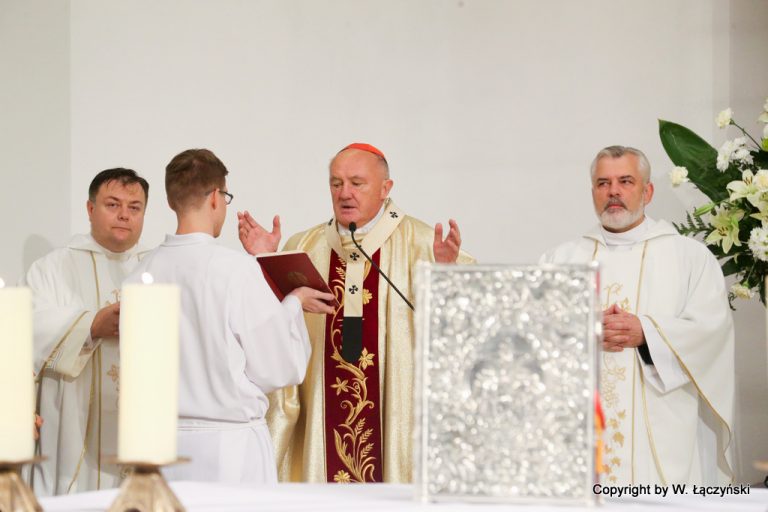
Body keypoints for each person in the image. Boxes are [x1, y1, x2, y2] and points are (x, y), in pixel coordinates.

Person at [238, 142, 474, 483]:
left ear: (385, 188)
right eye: (336, 183)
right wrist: (266, 262)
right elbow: (271, 333)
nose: (344, 193)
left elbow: (468, 331)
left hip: (395, 425)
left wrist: (449, 278)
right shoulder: (304, 247)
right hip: (321, 421)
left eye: (356, 183)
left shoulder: (424, 244)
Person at [124, 148, 333, 484]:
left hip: (160, 446)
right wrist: (293, 303)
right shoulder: (236, 271)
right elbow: (279, 368)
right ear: (215, 198)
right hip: (229, 447)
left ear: (171, 200)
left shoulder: (139, 275)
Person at [540, 145, 734, 485]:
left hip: (662, 434)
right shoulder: (562, 260)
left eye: (625, 181)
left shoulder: (689, 257)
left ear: (648, 191)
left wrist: (646, 332)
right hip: (582, 434)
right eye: (603, 183)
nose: (613, 191)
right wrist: (582, 331)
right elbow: (533, 334)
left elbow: (711, 332)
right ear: (592, 192)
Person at [23, 168, 149, 495]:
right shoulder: (53, 268)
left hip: (142, 427)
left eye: (134, 207)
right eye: (113, 204)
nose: (124, 215)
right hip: (72, 426)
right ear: (90, 209)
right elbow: (27, 328)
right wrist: (91, 326)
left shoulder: (158, 267)